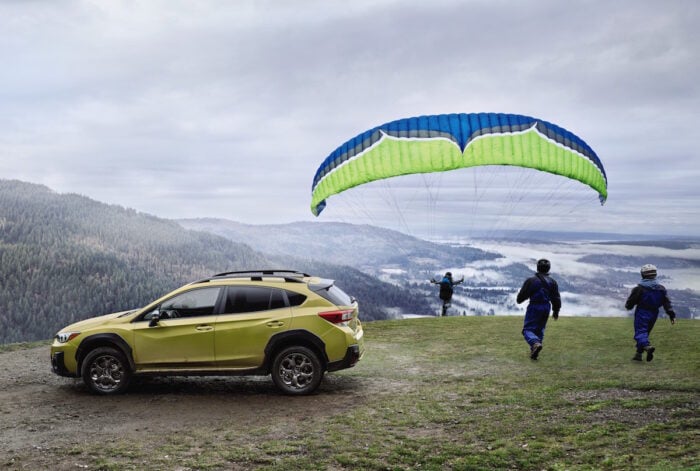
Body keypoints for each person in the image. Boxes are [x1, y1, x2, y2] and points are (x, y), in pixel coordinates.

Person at [625, 264, 675, 362]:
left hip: (642, 312)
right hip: (654, 313)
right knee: (645, 333)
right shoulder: (661, 288)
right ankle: (638, 355)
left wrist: (628, 306)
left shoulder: (639, 288)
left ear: (643, 275)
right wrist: (671, 314)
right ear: (655, 274)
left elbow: (631, 302)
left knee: (640, 332)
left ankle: (647, 347)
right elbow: (666, 302)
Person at [516, 259, 561, 360]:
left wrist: (520, 299)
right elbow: (556, 297)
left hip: (535, 306)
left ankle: (535, 344)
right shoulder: (553, 282)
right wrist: (556, 311)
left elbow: (521, 297)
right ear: (548, 268)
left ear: (537, 267)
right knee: (540, 329)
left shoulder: (531, 281)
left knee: (527, 329)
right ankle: (534, 350)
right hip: (546, 307)